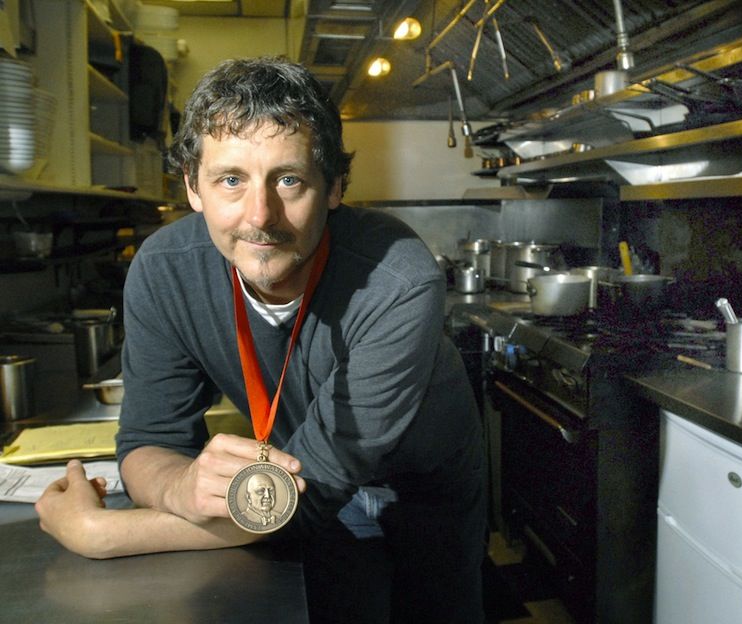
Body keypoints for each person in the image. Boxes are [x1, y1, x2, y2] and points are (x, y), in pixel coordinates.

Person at [35, 56, 486, 623]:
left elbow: (310, 496)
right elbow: (149, 440)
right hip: (290, 481)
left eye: (289, 179)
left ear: (334, 187)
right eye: (230, 180)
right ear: (193, 188)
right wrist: (180, 487)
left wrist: (101, 531)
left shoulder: (397, 279)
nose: (260, 215)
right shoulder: (164, 270)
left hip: (420, 492)